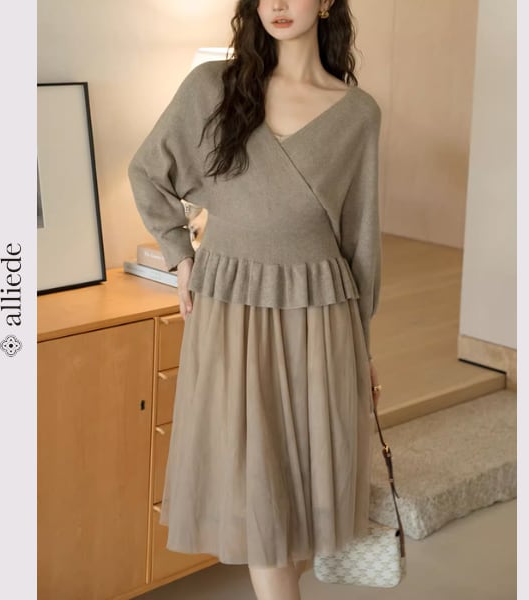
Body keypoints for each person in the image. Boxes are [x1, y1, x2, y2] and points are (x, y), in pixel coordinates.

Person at [128, 1, 383, 598]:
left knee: (299, 490)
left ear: (326, 3)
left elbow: (361, 241)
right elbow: (148, 172)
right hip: (231, 305)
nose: (279, 4)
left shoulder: (358, 114)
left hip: (320, 315)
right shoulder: (212, 86)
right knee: (252, 486)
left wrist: (364, 348)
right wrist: (181, 258)